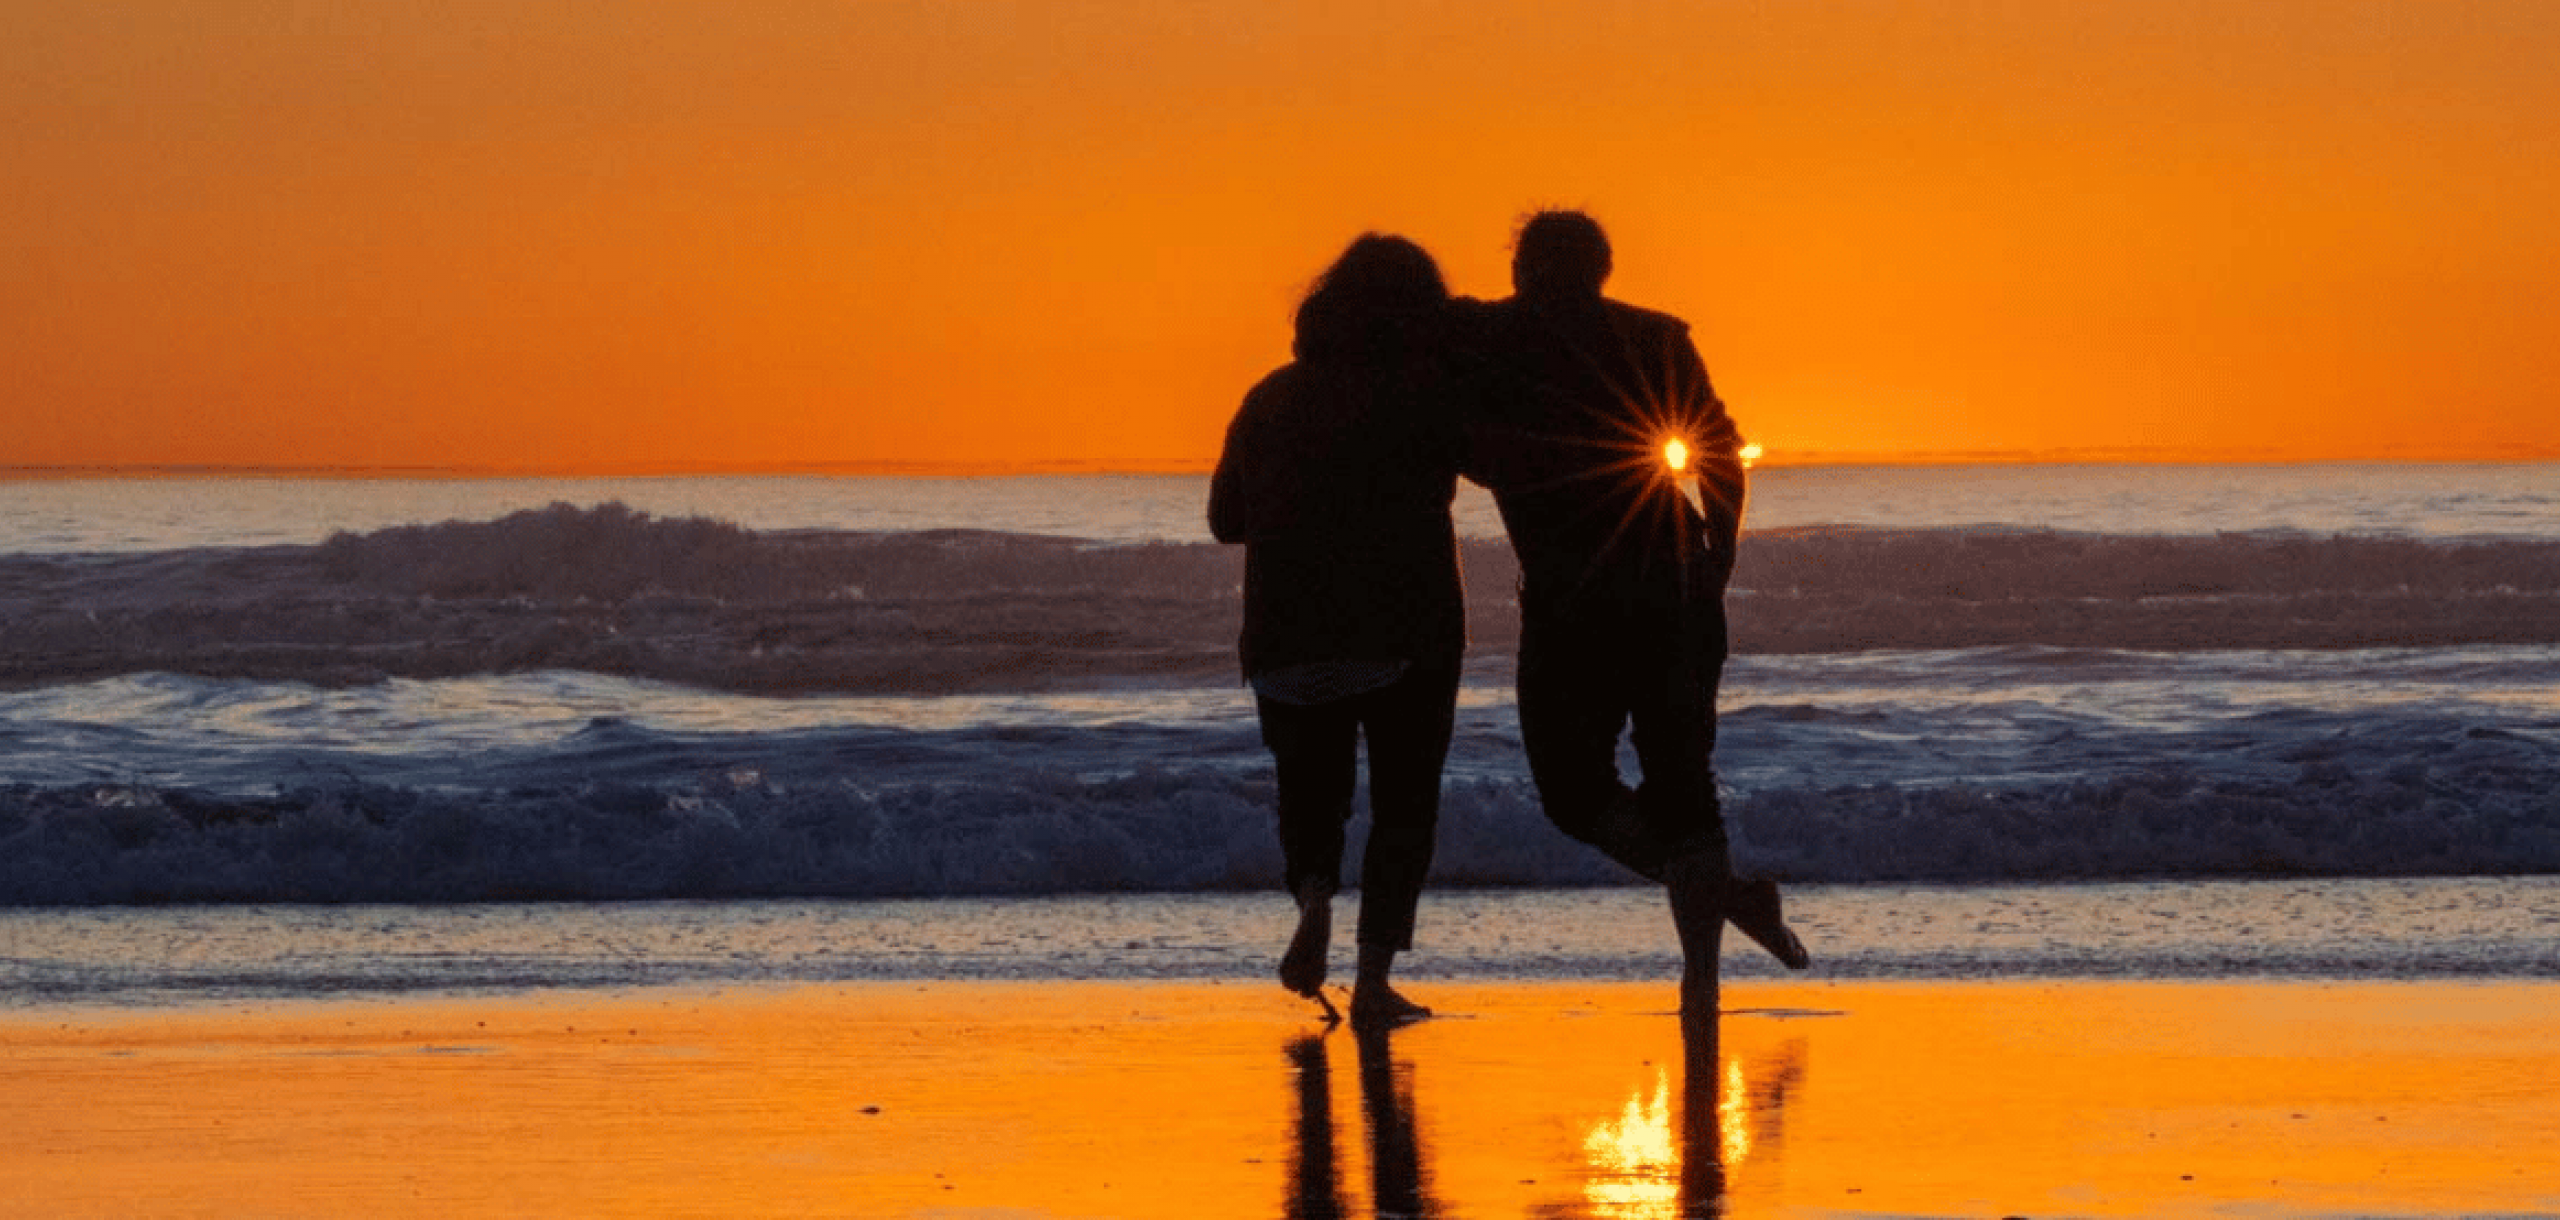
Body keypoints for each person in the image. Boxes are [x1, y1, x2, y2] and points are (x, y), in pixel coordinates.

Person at [1464, 209, 1807, 1015]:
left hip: (1582, 601)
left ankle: (1712, 956)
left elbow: (1716, 446)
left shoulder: (1490, 340)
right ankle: (1711, 951)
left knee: (1582, 790)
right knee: (1677, 783)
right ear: (1602, 270)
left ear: (1522, 271)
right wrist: (1719, 552)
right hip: (1666, 585)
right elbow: (1720, 452)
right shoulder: (1650, 336)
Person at [1210, 234, 1472, 1028]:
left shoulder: (1268, 398)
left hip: (1286, 641)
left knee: (1310, 797)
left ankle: (1316, 897)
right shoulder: (1420, 396)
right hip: (1405, 634)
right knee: (1403, 806)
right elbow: (1480, 469)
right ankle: (1374, 981)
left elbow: (1225, 520)